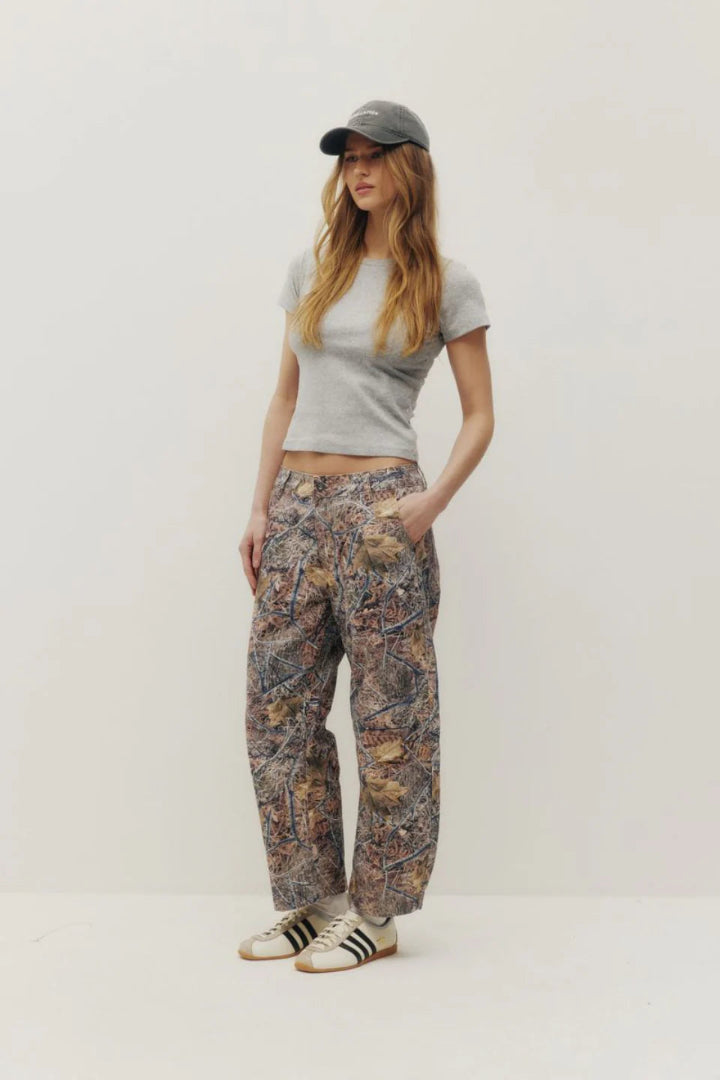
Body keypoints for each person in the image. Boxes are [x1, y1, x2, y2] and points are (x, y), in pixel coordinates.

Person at [237, 100, 494, 973]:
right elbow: (283, 396)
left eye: (375, 155)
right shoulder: (313, 269)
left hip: (383, 509)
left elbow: (481, 415)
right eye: (348, 157)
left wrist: (430, 505)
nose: (359, 170)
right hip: (296, 507)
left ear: (409, 166)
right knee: (278, 713)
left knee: (392, 719)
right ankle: (312, 901)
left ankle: (377, 913)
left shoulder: (446, 283)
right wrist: (260, 508)